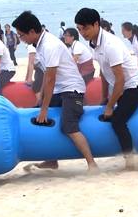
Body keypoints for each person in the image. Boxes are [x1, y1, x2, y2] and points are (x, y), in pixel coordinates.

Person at [12, 10, 98, 172]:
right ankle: (51, 161)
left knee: (68, 126)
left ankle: (92, 163)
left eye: (21, 35)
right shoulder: (40, 44)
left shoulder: (50, 45)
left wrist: (45, 109)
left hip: (72, 89)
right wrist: (41, 100)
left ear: (32, 31)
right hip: (59, 89)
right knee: (39, 120)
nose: (21, 39)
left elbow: (51, 79)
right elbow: (46, 76)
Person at [76, 9, 138, 169]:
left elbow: (120, 79)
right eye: (79, 29)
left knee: (117, 121)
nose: (82, 33)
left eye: (85, 28)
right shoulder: (93, 44)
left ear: (96, 24)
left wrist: (110, 107)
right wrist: (105, 97)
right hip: (122, 86)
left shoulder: (110, 44)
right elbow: (104, 72)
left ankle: (130, 162)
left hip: (136, 86)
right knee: (116, 114)